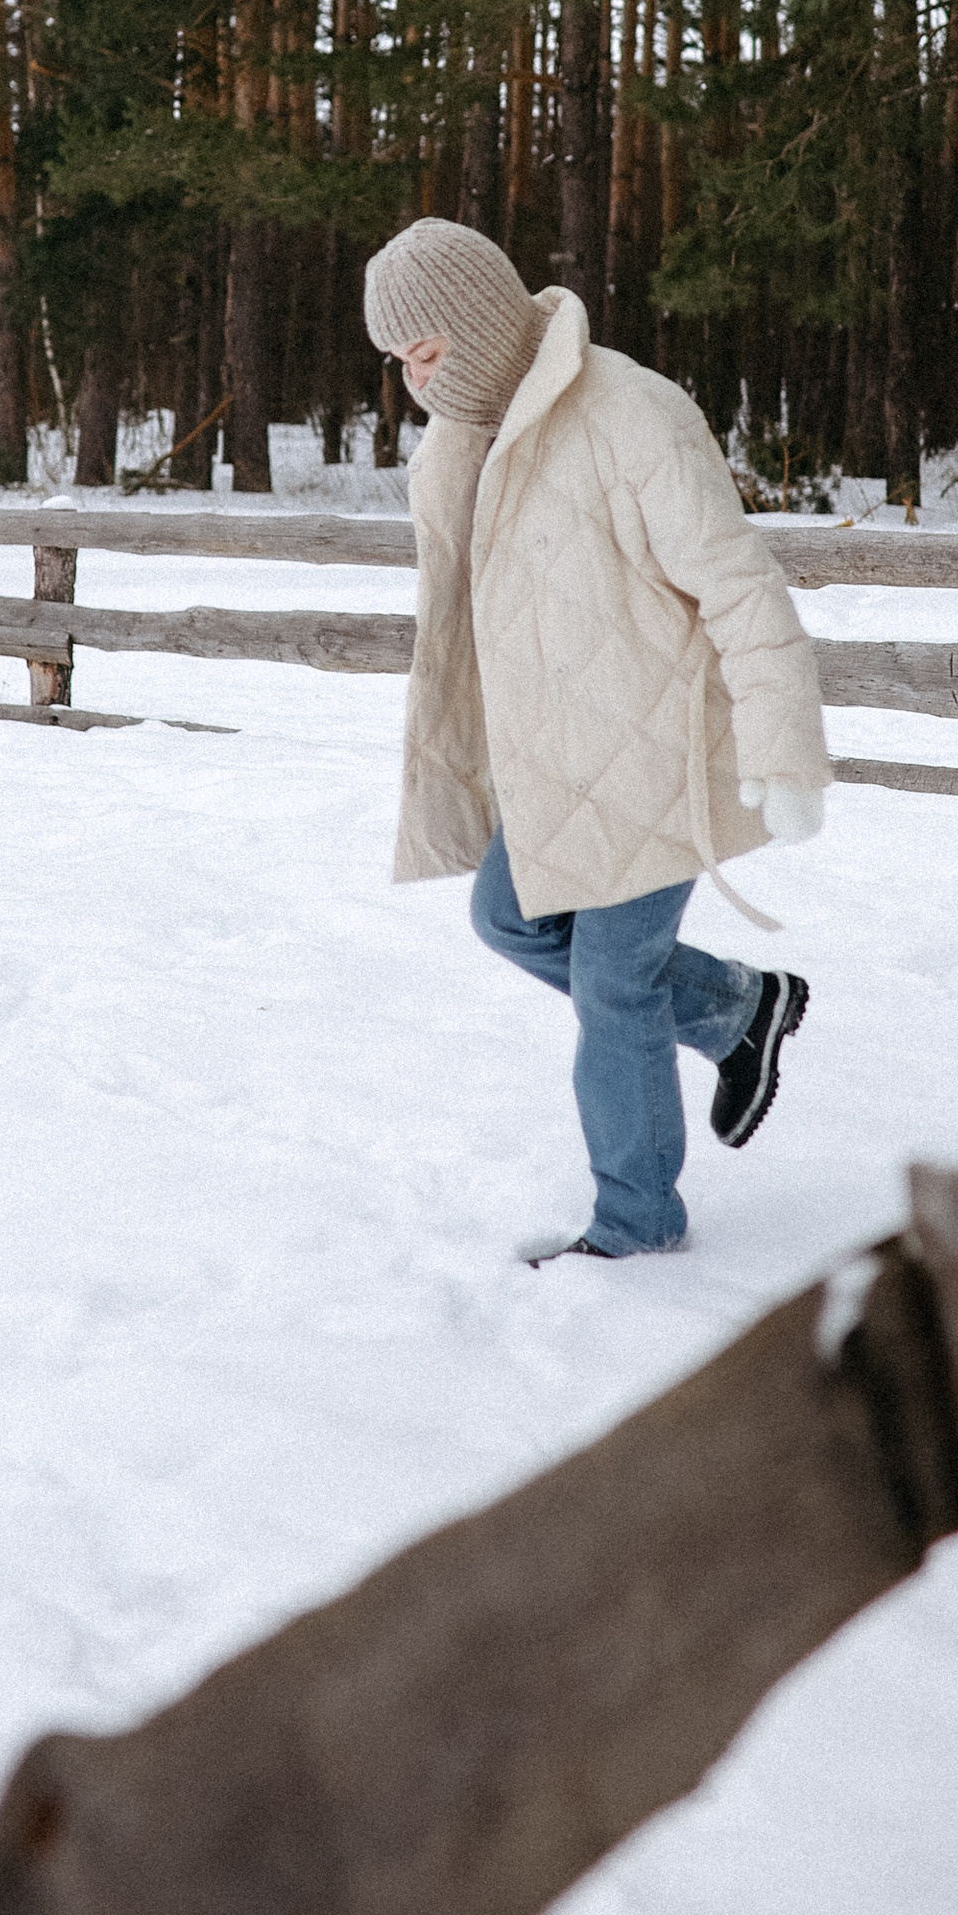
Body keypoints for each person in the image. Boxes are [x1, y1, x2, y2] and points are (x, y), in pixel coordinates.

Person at [362, 218, 831, 1263]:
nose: (416, 385)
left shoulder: (630, 413)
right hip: (556, 762)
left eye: (427, 355)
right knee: (506, 918)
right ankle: (735, 1007)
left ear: (480, 326)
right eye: (399, 366)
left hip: (655, 751)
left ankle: (634, 1226)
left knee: (616, 989)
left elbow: (739, 586)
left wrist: (783, 750)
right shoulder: (460, 444)